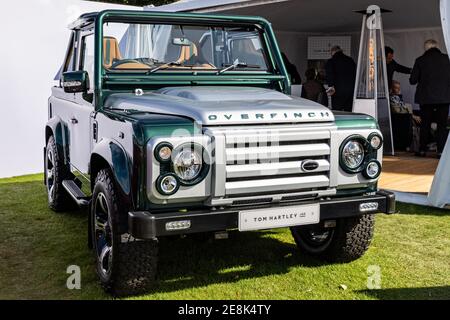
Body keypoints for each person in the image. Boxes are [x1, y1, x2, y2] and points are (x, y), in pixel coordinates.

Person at [410, 39, 450, 158]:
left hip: (426, 99)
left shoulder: (420, 60)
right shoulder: (447, 59)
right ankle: (441, 152)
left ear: (426, 48)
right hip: (444, 98)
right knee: (442, 126)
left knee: (425, 125)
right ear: (437, 47)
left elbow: (413, 81)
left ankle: (422, 150)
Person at [389, 80, 421, 151]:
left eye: (399, 88)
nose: (398, 90)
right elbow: (399, 110)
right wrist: (413, 116)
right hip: (401, 119)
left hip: (405, 117)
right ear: (391, 88)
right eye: (396, 88)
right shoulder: (393, 98)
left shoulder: (398, 97)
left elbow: (404, 108)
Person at [325, 45, 356, 112]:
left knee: (337, 111)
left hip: (337, 91)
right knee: (348, 111)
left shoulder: (331, 61)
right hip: (350, 90)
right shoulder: (350, 60)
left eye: (331, 53)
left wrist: (331, 86)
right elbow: (355, 73)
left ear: (333, 52)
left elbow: (329, 75)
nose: (331, 55)